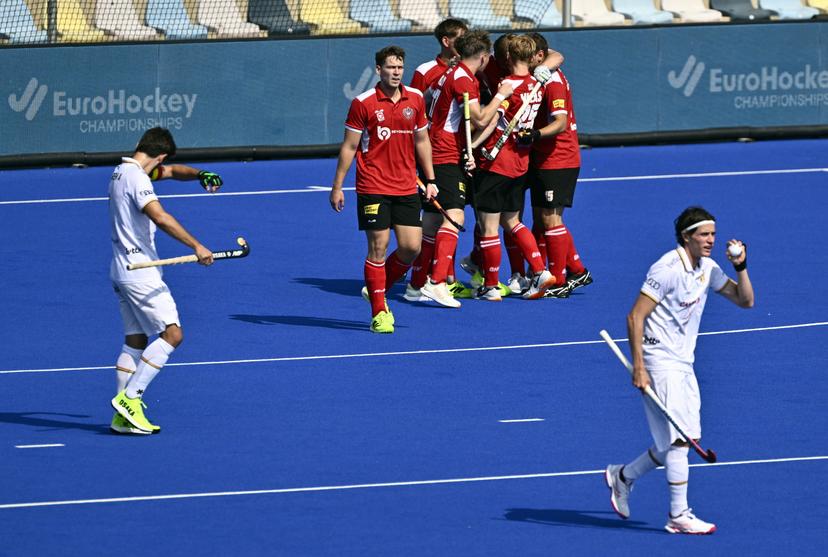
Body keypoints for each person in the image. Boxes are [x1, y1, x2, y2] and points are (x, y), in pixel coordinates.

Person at [605, 207, 754, 534]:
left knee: (682, 437)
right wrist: (640, 368)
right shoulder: (666, 269)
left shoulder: (708, 268)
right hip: (659, 360)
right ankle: (679, 514)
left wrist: (740, 266)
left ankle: (624, 476)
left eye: (713, 234)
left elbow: (745, 301)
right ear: (686, 236)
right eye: (704, 234)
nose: (711, 240)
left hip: (684, 362)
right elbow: (635, 317)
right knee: (678, 442)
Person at [109, 127, 223, 435]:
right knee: (173, 334)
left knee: (135, 340)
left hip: (120, 270)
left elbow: (172, 171)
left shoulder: (122, 171)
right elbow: (159, 216)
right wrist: (196, 246)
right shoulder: (137, 178)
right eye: (162, 160)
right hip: (141, 273)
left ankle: (122, 419)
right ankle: (130, 399)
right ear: (158, 154)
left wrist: (201, 173)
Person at [330, 45, 438, 334]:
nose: (396, 72)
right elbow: (350, 147)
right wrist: (337, 186)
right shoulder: (363, 103)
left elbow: (422, 141)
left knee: (411, 247)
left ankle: (377, 288)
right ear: (379, 70)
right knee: (378, 248)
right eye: (390, 67)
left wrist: (430, 179)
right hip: (373, 185)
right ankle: (379, 311)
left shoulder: (415, 99)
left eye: (400, 68)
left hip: (405, 186)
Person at [411, 30, 512, 308]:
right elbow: (479, 119)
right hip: (444, 154)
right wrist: (501, 98)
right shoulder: (464, 80)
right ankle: (438, 282)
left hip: (439, 148)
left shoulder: (451, 73)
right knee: (455, 217)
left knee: (432, 220)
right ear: (483, 57)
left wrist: (469, 148)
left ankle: (415, 284)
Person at [471, 35, 554, 301]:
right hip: (520, 163)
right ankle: (540, 270)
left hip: (497, 162)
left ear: (507, 57)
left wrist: (471, 146)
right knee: (512, 220)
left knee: (489, 226)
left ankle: (491, 285)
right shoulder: (536, 85)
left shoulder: (507, 85)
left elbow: (492, 121)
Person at [521, 32, 591, 299]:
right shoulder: (543, 71)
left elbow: (560, 122)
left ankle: (560, 279)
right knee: (542, 219)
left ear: (539, 56)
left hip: (559, 158)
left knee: (551, 219)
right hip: (544, 157)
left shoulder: (552, 81)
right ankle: (576, 268)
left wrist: (535, 135)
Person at [410, 18, 468, 113]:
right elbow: (413, 108)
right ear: (446, 41)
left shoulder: (471, 68)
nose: (465, 44)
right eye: (461, 39)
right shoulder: (423, 71)